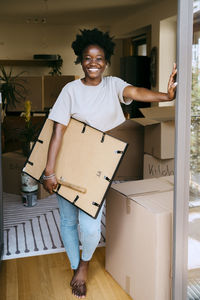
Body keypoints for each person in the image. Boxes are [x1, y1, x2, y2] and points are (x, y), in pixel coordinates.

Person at [43, 28, 177, 299]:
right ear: (80, 60)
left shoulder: (113, 85)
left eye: (99, 58)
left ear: (106, 61)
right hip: (67, 161)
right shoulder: (70, 90)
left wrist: (166, 96)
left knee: (90, 226)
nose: (93, 63)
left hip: (97, 166)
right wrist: (49, 171)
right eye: (88, 58)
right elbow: (57, 131)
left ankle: (84, 264)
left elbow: (136, 91)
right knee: (68, 221)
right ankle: (74, 266)